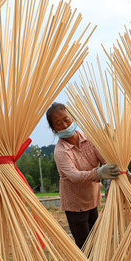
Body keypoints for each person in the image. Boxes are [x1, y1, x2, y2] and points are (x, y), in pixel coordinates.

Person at [48, 102, 119, 249]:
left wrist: (119, 169)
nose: (64, 125)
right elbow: (74, 176)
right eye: (58, 124)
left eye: (66, 120)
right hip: (75, 205)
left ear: (72, 118)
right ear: (54, 129)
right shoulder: (61, 151)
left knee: (96, 241)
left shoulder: (89, 139)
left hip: (92, 199)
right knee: (85, 246)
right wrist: (98, 172)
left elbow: (105, 159)